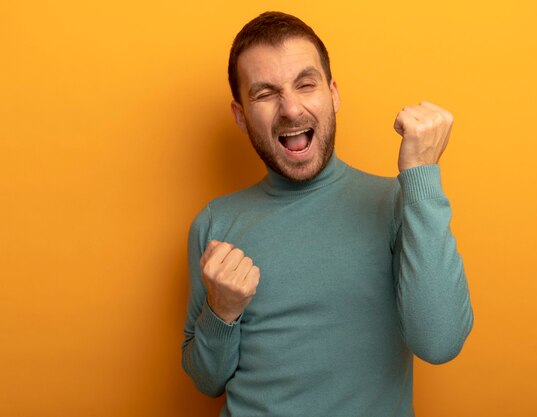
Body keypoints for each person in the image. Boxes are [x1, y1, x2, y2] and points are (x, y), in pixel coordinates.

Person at [182, 11, 473, 417]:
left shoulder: (395, 203)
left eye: (305, 84)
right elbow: (206, 380)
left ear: (333, 94)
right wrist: (221, 312)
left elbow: (440, 343)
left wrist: (421, 174)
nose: (291, 108)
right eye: (265, 94)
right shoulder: (215, 224)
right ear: (241, 116)